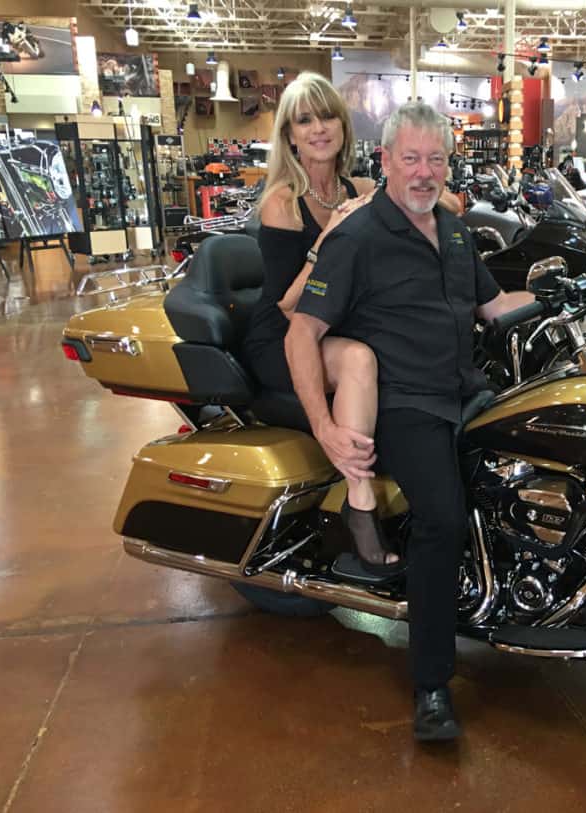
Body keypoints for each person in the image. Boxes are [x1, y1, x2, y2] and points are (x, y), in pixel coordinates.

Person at [284, 102, 539, 742]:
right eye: (411, 159)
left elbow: (493, 306)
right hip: (406, 404)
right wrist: (324, 425)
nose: (424, 173)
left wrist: (581, 286)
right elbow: (302, 332)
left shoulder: (454, 232)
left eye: (436, 159)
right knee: (442, 519)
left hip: (465, 391)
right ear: (387, 161)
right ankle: (431, 685)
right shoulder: (358, 237)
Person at [242, 71, 401, 573]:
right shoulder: (283, 202)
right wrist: (327, 237)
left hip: (336, 323)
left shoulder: (361, 188)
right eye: (304, 120)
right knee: (359, 358)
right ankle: (360, 509)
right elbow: (291, 304)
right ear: (289, 134)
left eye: (327, 115)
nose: (318, 128)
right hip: (286, 335)